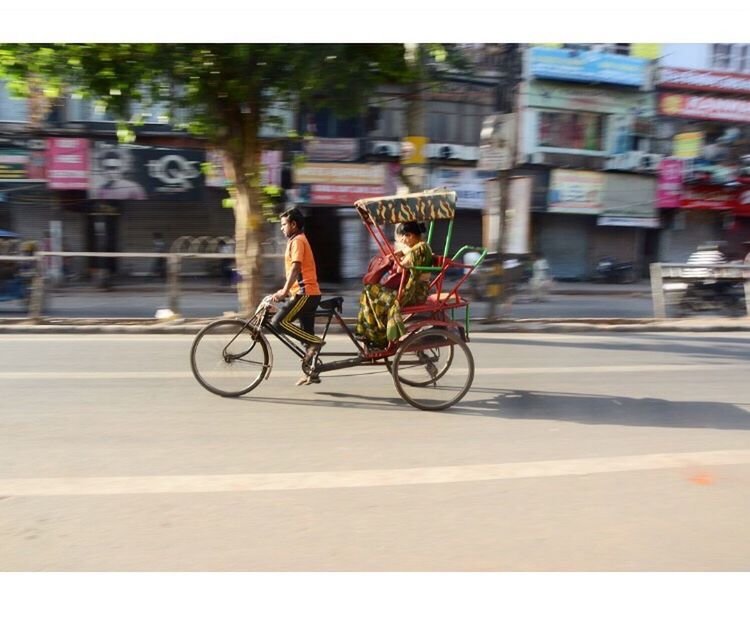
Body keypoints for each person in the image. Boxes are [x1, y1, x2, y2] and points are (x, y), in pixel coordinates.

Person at [356, 221, 433, 349]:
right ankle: (371, 334)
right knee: (369, 291)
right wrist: (399, 254)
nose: (402, 240)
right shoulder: (417, 248)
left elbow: (403, 267)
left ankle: (378, 336)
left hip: (413, 293)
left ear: (411, 235)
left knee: (370, 292)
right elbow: (407, 257)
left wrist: (396, 259)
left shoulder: (420, 248)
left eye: (404, 236)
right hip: (410, 289)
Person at [270, 207, 324, 386]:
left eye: (284, 224)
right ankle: (312, 372)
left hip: (305, 294)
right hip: (305, 293)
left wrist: (284, 291)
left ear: (293, 224)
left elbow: (296, 267)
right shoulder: (296, 239)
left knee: (278, 322)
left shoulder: (298, 241)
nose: (281, 228)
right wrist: (287, 291)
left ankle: (315, 343)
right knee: (306, 337)